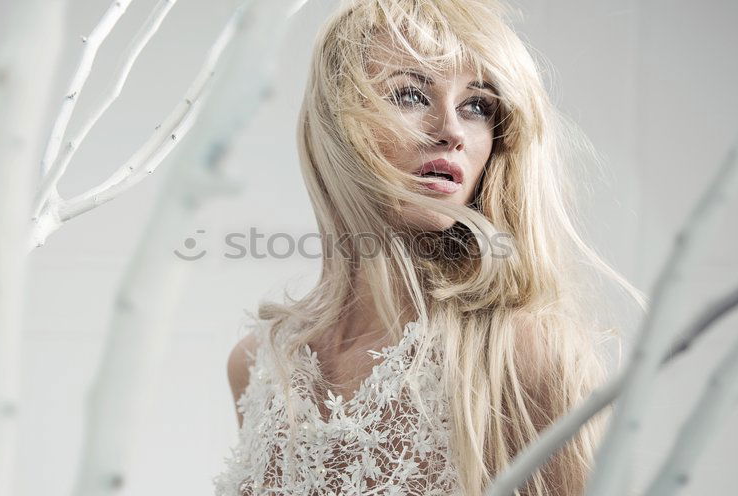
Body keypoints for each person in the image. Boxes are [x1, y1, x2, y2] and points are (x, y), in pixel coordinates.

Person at [213, 0, 645, 494]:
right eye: (410, 95)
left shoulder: (521, 357)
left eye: (477, 106)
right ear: (334, 127)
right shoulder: (258, 366)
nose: (452, 131)